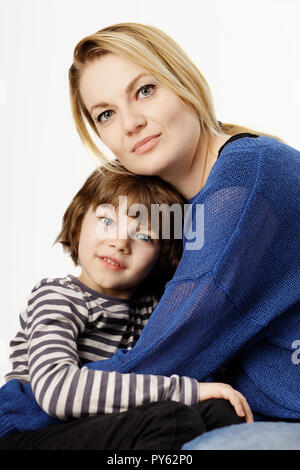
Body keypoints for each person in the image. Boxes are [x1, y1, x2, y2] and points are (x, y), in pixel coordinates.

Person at [0, 21, 299, 450]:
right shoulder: (181, 209)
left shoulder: (242, 182)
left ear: (182, 81)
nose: (132, 123)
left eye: (144, 91)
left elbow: (165, 355)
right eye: (106, 114)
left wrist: (18, 409)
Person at [0, 163, 252, 450]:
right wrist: (185, 391)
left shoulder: (151, 308)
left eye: (144, 236)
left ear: (163, 254)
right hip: (26, 430)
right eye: (107, 221)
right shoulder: (57, 296)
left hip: (102, 425)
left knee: (221, 411)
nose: (120, 242)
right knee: (171, 419)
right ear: (80, 219)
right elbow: (57, 391)